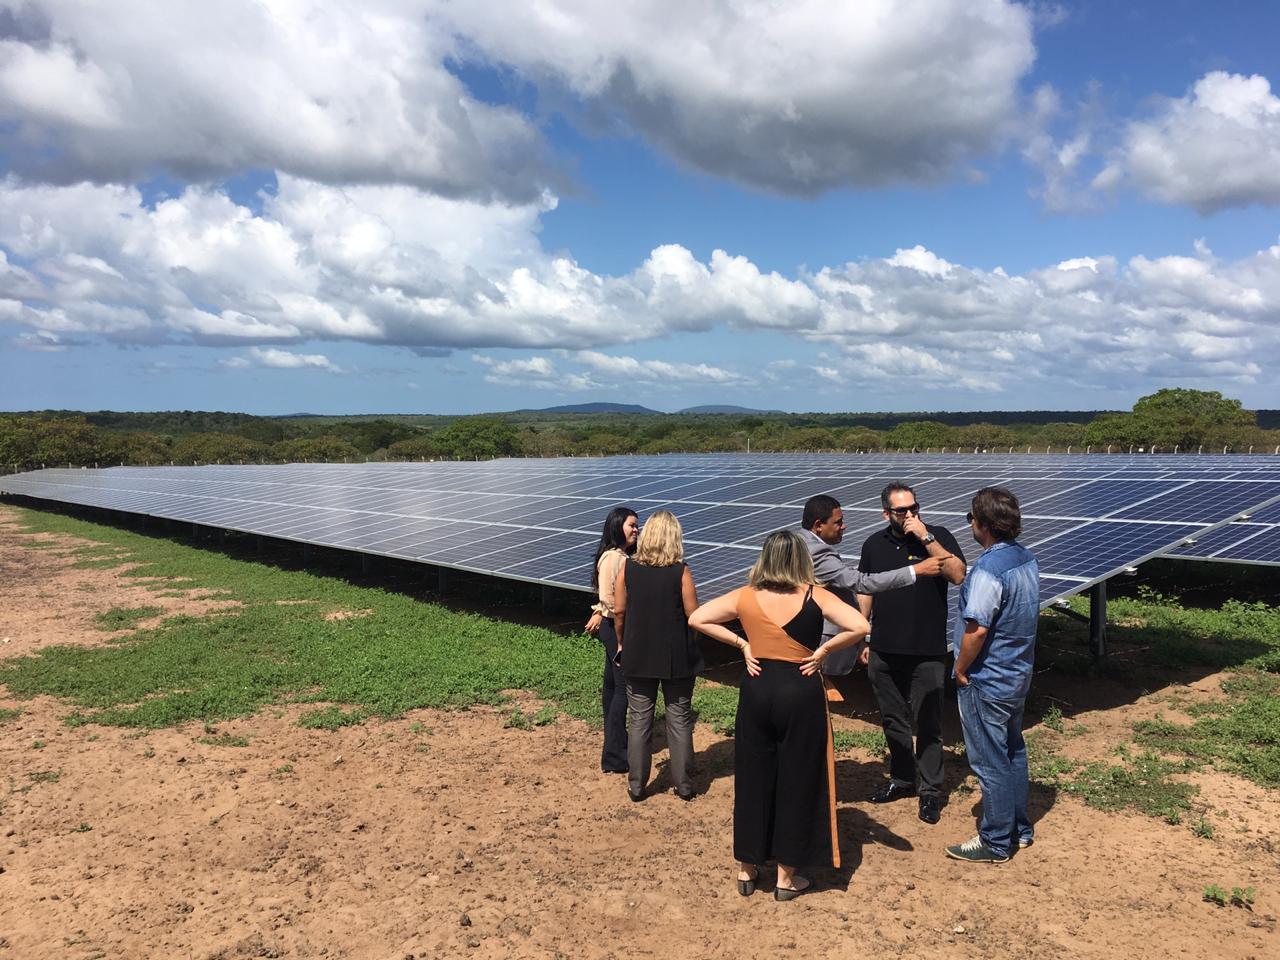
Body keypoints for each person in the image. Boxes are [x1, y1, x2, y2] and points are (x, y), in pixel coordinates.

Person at [689, 530, 869, 901]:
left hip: (757, 689)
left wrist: (742, 644)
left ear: (766, 558)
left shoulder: (746, 595)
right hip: (800, 690)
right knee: (798, 778)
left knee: (753, 777)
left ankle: (747, 868)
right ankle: (786, 877)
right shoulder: (813, 594)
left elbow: (698, 618)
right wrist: (823, 651)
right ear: (801, 560)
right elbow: (861, 626)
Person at [856, 482, 966, 824]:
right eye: (902, 511)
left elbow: (958, 574)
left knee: (928, 722)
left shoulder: (938, 536)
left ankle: (930, 792)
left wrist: (926, 538)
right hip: (885, 649)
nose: (910, 515)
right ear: (886, 513)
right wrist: (861, 634)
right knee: (892, 720)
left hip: (928, 649)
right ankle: (903, 779)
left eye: (914, 508)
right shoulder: (874, 544)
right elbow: (866, 590)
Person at [945, 487, 1040, 864]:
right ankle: (1019, 828)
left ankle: (996, 841)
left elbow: (978, 629)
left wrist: (960, 668)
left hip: (987, 677)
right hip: (1017, 672)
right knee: (1013, 748)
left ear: (983, 524)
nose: (969, 523)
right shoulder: (1025, 559)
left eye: (971, 517)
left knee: (989, 759)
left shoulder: (987, 570)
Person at [800, 494, 945, 676]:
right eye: (838, 522)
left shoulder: (797, 542)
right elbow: (861, 582)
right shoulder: (817, 552)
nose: (844, 526)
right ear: (818, 525)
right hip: (819, 643)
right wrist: (915, 570)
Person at [613, 510, 702, 802]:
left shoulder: (628, 568)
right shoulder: (681, 571)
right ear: (674, 538)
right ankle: (684, 785)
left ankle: (637, 786)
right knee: (679, 720)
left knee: (639, 720)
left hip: (638, 653)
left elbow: (620, 611)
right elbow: (693, 615)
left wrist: (621, 642)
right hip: (676, 656)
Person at [584, 506, 639, 775]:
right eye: (631, 525)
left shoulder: (618, 556)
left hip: (609, 623)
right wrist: (619, 637)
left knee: (611, 687)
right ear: (618, 527)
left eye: (636, 525)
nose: (636, 530)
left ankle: (615, 744)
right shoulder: (614, 559)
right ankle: (615, 756)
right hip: (615, 628)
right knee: (622, 690)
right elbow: (611, 600)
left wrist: (599, 611)